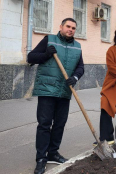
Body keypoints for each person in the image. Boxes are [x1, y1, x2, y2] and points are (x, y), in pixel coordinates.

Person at [28, 18, 84, 174]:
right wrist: (46, 54)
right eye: (68, 26)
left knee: (59, 124)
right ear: (61, 27)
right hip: (47, 90)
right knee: (44, 124)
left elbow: (81, 68)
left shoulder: (77, 47)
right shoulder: (49, 40)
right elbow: (31, 58)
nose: (70, 29)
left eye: (73, 27)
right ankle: (41, 158)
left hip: (64, 91)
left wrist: (75, 78)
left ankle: (53, 153)